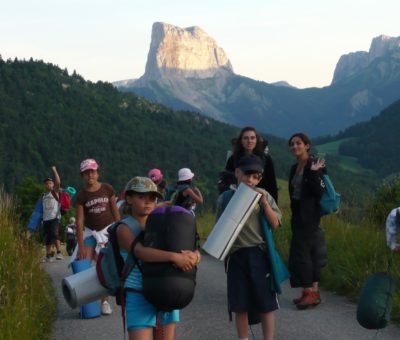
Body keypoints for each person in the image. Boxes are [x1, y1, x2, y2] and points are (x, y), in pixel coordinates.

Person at [116, 176, 200, 340]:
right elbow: (140, 252)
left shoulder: (162, 223)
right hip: (137, 292)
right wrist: (175, 257)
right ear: (129, 198)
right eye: (141, 197)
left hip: (166, 287)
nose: (147, 202)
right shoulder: (124, 228)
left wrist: (194, 257)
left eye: (152, 198)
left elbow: (189, 247)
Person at [215, 154, 282, 340]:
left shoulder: (264, 196)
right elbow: (219, 228)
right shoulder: (225, 198)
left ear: (260, 178)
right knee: (240, 304)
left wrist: (265, 205)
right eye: (246, 175)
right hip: (236, 255)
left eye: (255, 177)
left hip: (259, 254)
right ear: (237, 173)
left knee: (266, 303)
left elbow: (275, 223)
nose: (250, 180)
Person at [74, 158, 120, 315]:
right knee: (84, 264)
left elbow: (115, 213)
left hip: (107, 230)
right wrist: (80, 246)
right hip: (89, 231)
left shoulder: (107, 189)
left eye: (92, 172)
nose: (90, 176)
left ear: (98, 173)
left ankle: (105, 301)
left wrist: (119, 231)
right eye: (86, 173)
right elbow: (79, 221)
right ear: (82, 176)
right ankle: (86, 303)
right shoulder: (81, 196)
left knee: (104, 266)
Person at [287, 132, 326, 310]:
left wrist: (312, 173)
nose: (295, 146)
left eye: (299, 143)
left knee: (303, 254)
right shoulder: (295, 167)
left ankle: (309, 292)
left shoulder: (313, 163)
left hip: (309, 217)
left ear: (307, 145)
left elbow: (319, 191)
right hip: (299, 216)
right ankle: (312, 293)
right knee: (310, 253)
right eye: (292, 144)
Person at [225, 126, 279, 203]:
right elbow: (227, 182)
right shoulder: (233, 159)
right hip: (237, 199)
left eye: (252, 138)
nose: (249, 141)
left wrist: (273, 204)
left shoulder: (266, 159)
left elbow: (272, 184)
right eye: (246, 138)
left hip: (260, 199)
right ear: (241, 140)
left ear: (256, 140)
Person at [41, 166, 63, 262]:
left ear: (53, 185)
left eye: (50, 183)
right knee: (47, 237)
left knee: (55, 233)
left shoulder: (55, 192)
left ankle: (59, 252)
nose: (48, 185)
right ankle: (48, 255)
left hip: (54, 217)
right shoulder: (43, 195)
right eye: (46, 184)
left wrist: (54, 170)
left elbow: (58, 182)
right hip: (45, 219)